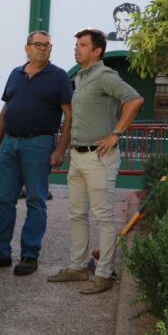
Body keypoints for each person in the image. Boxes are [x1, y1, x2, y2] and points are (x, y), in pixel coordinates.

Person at [48, 28, 143, 294]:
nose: (76, 48)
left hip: (99, 157)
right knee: (77, 214)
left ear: (96, 51)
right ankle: (78, 267)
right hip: (78, 157)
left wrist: (116, 134)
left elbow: (135, 100)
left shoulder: (104, 75)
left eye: (82, 45)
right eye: (76, 44)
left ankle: (103, 275)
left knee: (103, 217)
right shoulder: (81, 76)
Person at [0, 31, 72, 276]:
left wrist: (60, 148)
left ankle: (29, 255)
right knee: (4, 200)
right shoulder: (15, 73)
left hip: (39, 144)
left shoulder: (59, 76)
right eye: (38, 45)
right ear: (26, 48)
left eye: (47, 45)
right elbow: (6, 110)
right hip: (10, 143)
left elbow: (69, 116)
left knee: (35, 201)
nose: (43, 49)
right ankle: (0, 253)